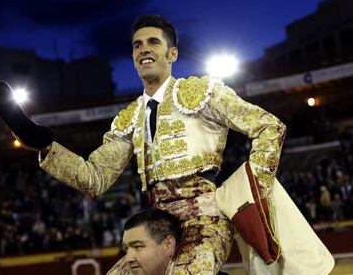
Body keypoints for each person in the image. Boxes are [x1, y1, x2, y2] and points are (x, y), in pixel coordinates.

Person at [31, 15, 286, 273]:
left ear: (172, 53)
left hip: (205, 222)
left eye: (153, 42)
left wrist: (254, 190)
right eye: (137, 45)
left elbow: (269, 127)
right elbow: (96, 178)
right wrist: (47, 148)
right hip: (156, 229)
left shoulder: (202, 92)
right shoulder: (129, 118)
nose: (144, 49)